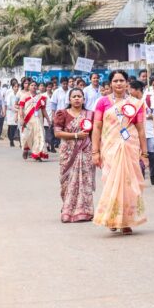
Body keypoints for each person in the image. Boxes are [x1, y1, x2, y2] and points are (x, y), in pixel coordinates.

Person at [92, 70, 149, 235]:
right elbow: (97, 127)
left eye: (121, 80)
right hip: (110, 149)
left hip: (130, 148)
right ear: (110, 83)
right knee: (111, 182)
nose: (118, 84)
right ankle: (112, 218)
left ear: (127, 83)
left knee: (129, 184)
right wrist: (95, 151)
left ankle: (126, 221)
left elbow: (140, 129)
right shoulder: (102, 102)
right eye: (115, 81)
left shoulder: (136, 103)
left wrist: (144, 153)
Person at [54, 88, 96, 223]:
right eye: (74, 96)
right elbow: (57, 133)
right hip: (68, 152)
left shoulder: (90, 114)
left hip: (85, 151)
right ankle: (67, 209)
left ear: (84, 99)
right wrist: (76, 135)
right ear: (69, 99)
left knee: (84, 180)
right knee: (67, 182)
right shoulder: (62, 114)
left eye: (79, 96)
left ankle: (85, 211)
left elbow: (94, 134)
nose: (77, 99)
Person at [19, 80, 50, 161]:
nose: (34, 87)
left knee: (39, 136)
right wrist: (22, 119)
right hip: (28, 120)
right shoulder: (24, 96)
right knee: (27, 136)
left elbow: (43, 110)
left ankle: (37, 154)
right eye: (32, 85)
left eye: (35, 85)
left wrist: (48, 119)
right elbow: (21, 108)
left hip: (38, 120)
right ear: (29, 87)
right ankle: (26, 149)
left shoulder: (41, 97)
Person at [4, 79, 21, 147]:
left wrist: (18, 110)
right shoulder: (10, 95)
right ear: (13, 87)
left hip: (18, 112)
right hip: (11, 113)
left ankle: (20, 142)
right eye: (15, 87)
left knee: (19, 127)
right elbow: (8, 105)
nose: (16, 88)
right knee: (12, 127)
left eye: (17, 87)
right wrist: (15, 109)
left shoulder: (20, 94)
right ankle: (11, 140)